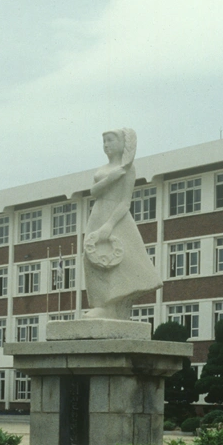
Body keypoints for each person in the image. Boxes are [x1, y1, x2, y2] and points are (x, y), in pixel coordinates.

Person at [81, 128, 162, 320]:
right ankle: (100, 304)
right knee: (92, 258)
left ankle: (111, 306)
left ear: (122, 144)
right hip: (97, 214)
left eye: (110, 140)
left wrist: (109, 225)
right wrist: (110, 179)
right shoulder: (102, 170)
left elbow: (125, 202)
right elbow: (94, 192)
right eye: (104, 142)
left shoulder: (128, 169)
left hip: (116, 218)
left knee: (119, 263)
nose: (106, 145)